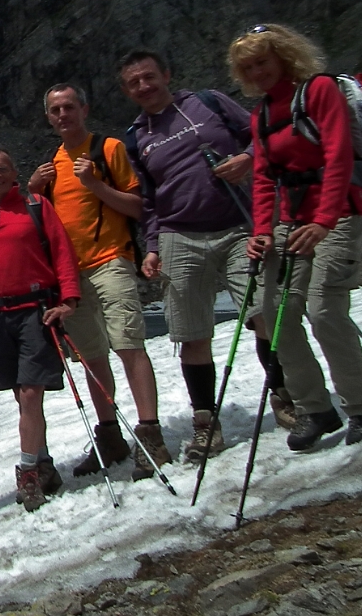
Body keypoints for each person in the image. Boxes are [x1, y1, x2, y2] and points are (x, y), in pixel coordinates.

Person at [119, 50, 291, 462]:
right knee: (192, 335)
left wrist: (248, 159)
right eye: (134, 83)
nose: (144, 86)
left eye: (149, 77)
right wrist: (154, 246)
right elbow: (149, 201)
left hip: (238, 225)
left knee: (264, 310)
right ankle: (204, 422)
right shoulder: (135, 137)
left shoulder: (208, 102)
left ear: (166, 74)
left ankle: (285, 395)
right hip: (180, 235)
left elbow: (260, 134)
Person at [228, 24, 362, 450]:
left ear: (283, 55)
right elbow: (263, 179)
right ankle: (314, 408)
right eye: (248, 67)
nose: (257, 72)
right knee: (275, 311)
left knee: (324, 310)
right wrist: (261, 232)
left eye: (262, 61)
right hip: (292, 222)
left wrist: (324, 220)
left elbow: (338, 156)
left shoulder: (318, 91)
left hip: (336, 215)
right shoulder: (262, 113)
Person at [28, 83, 172, 481]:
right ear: (48, 117)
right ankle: (110, 436)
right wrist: (32, 193)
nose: (63, 115)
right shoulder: (52, 166)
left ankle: (150, 433)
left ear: (84, 109)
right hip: (71, 275)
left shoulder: (108, 150)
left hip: (111, 260)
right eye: (55, 110)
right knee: (92, 356)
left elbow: (138, 207)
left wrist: (94, 185)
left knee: (128, 344)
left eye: (69, 107)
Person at [0, 145, 80, 511]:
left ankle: (28, 473)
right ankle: (44, 462)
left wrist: (68, 300)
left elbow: (62, 252)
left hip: (35, 311)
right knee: (22, 395)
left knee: (31, 393)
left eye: (3, 169)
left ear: (15, 173)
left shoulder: (36, 206)